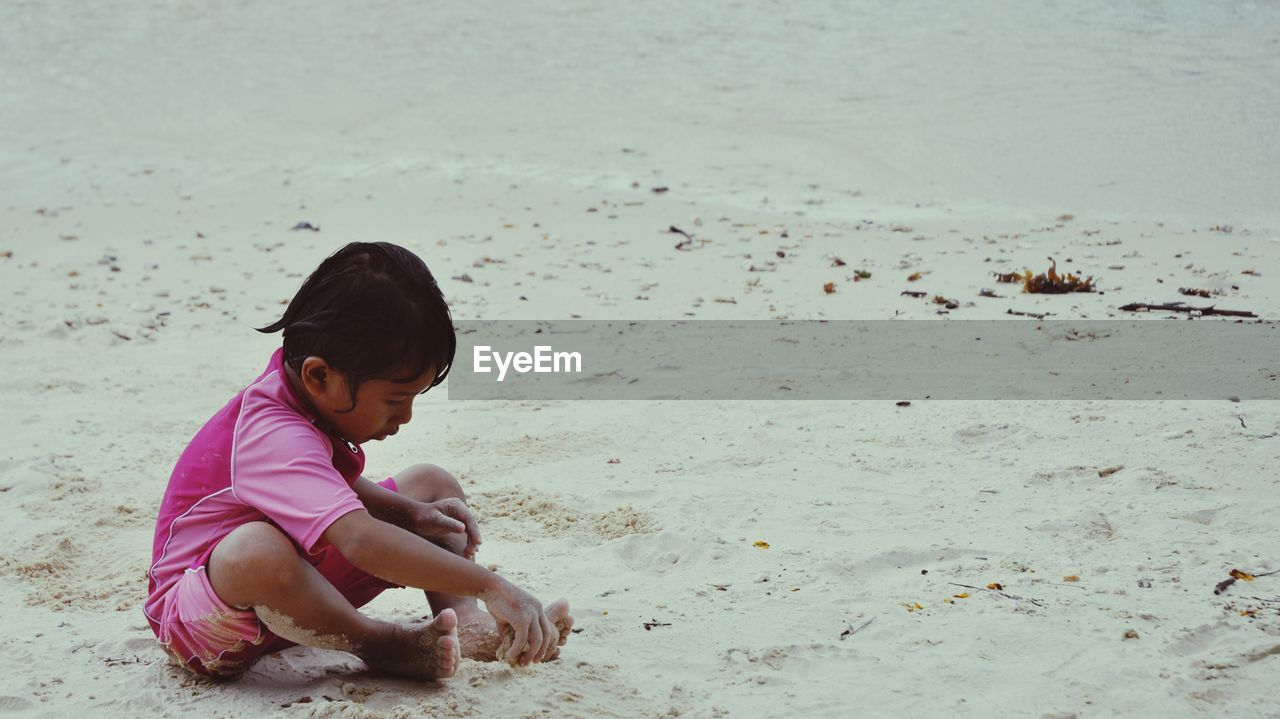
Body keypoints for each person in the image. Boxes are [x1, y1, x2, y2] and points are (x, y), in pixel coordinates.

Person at [143, 242, 571, 680]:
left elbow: (331, 483)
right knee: (255, 548)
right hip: (207, 621)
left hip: (297, 599)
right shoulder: (272, 432)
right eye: (394, 399)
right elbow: (359, 541)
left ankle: (464, 619)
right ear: (319, 375)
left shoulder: (301, 393)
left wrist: (411, 513)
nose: (405, 416)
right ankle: (380, 644)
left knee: (430, 484)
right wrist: (492, 585)